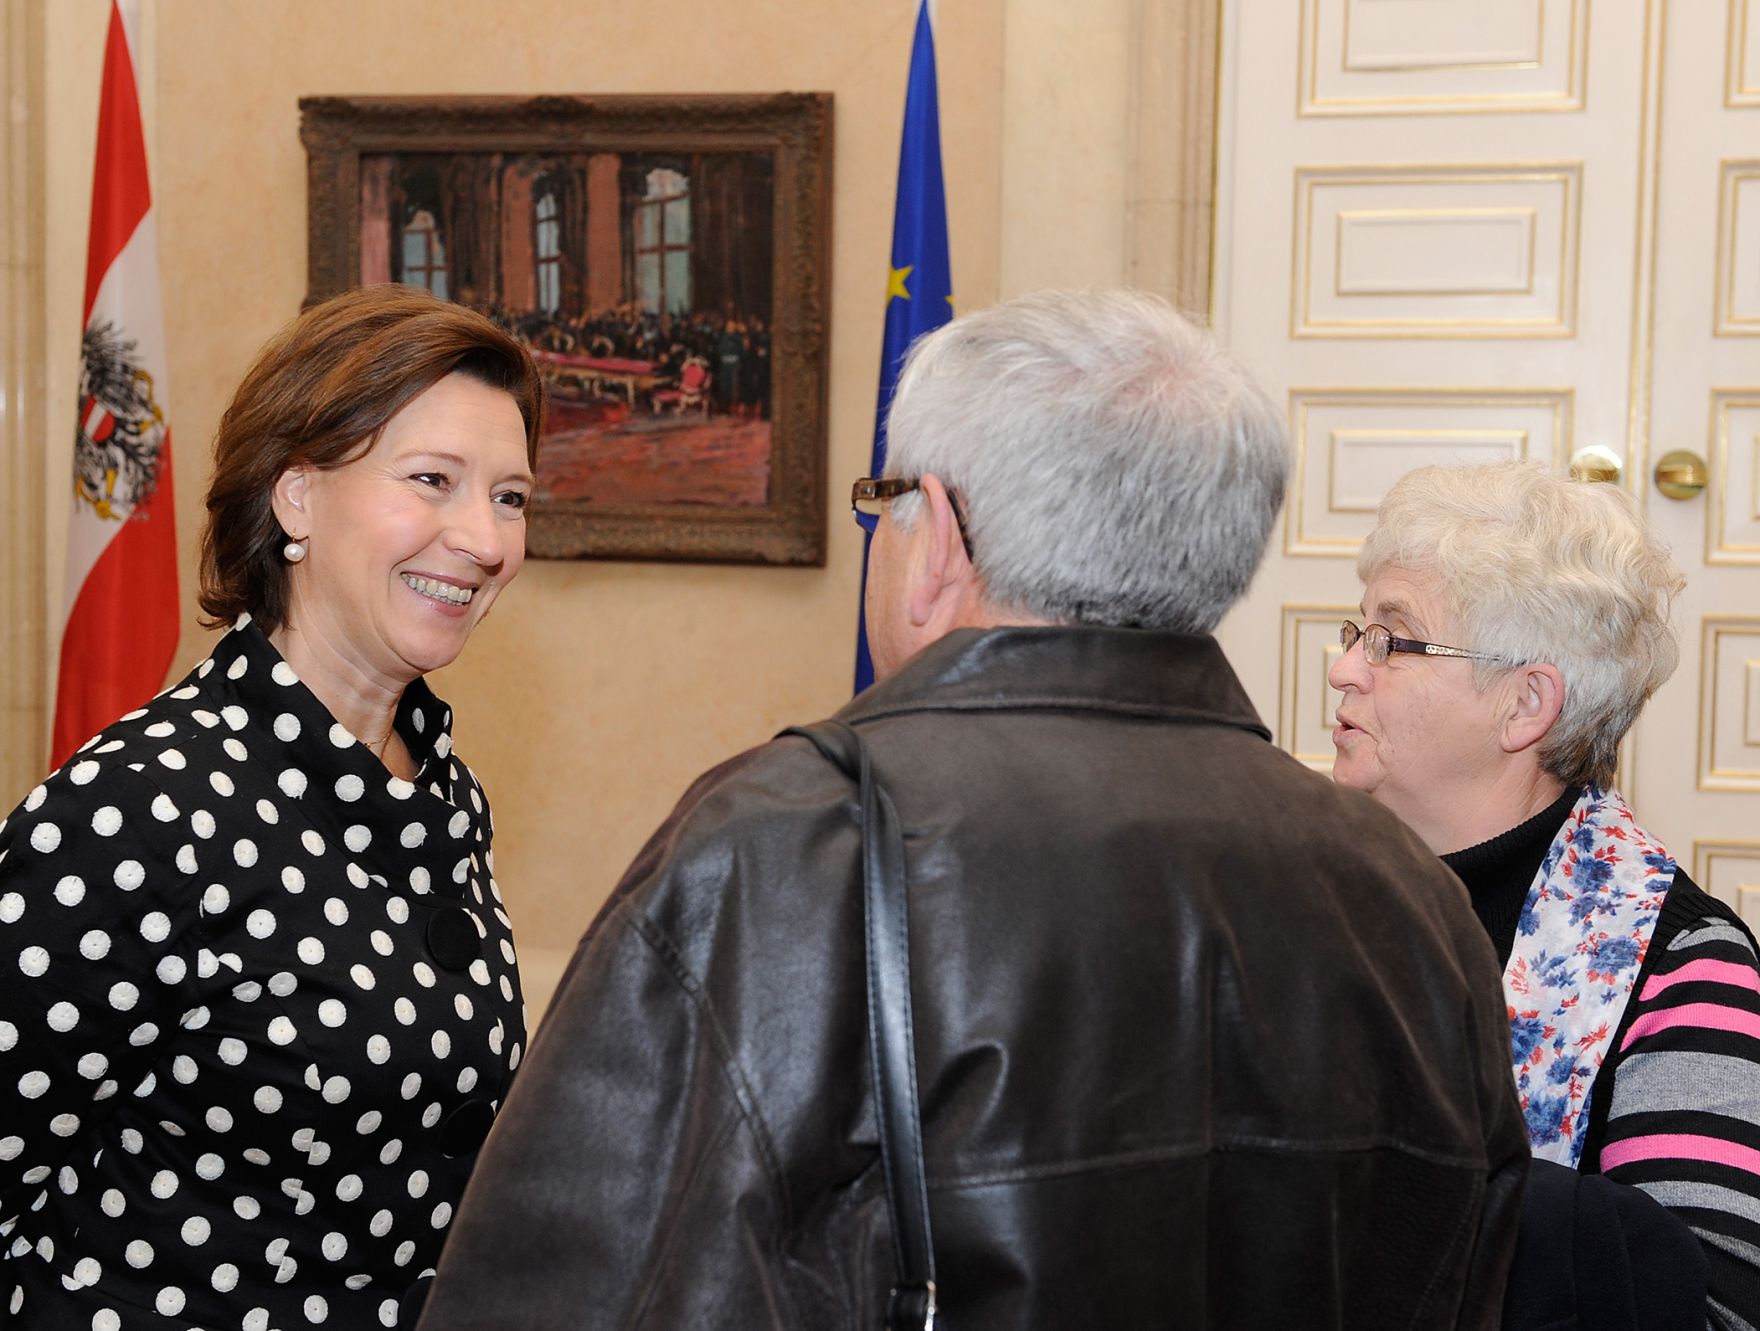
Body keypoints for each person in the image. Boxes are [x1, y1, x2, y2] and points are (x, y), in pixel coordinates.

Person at [417, 289, 1526, 1330]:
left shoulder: (795, 845)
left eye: (887, 507)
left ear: (935, 534)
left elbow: (561, 1292)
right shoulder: (1410, 894)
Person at [0, 285, 543, 1330]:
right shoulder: (139, 809)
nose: (482, 538)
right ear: (296, 497)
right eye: (432, 479)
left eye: (511, 496)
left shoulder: (439, 791)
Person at [1330, 461, 1760, 1329]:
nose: (1342, 668)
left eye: (1390, 640)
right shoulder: (1297, 892)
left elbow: (1709, 1308)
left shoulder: (1686, 968)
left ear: (1525, 704)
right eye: (1356, 629)